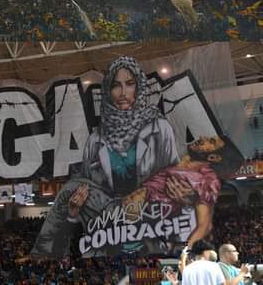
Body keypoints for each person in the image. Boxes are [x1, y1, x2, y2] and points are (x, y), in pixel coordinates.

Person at [32, 56, 193, 257]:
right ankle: (42, 254)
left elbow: (173, 183)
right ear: (108, 92)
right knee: (70, 189)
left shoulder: (160, 129)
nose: (123, 93)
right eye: (116, 86)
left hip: (147, 216)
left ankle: (43, 253)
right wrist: (73, 214)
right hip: (108, 224)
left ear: (139, 88)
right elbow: (87, 197)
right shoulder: (95, 140)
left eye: (130, 84)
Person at [122, 135, 243, 246]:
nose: (202, 137)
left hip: (157, 227)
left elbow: (205, 225)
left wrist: (186, 252)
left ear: (214, 157)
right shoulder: (181, 158)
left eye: (211, 141)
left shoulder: (208, 180)